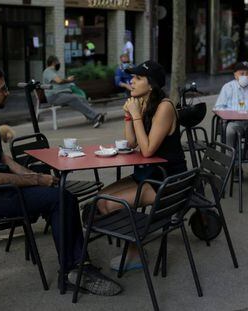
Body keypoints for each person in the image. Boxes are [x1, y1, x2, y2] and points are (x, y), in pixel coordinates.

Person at [0, 65, 121, 295]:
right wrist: (37, 180)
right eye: (3, 88)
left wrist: (30, 175)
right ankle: (73, 270)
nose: (7, 92)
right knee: (61, 199)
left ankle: (77, 266)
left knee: (61, 195)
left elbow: (2, 158)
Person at [96, 60, 187, 272]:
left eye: (137, 78)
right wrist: (129, 115)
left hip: (167, 181)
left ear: (152, 84)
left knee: (110, 205)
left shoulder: (165, 107)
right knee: (101, 199)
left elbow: (146, 151)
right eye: (132, 77)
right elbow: (131, 143)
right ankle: (135, 243)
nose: (131, 81)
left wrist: (136, 115)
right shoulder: (144, 103)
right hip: (149, 174)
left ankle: (136, 252)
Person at [213, 61, 248, 181]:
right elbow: (218, 107)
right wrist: (232, 112)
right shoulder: (228, 88)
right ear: (235, 75)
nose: (245, 76)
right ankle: (235, 166)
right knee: (230, 131)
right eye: (242, 73)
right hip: (234, 122)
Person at [42, 55, 104, 128]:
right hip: (54, 96)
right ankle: (95, 117)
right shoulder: (48, 71)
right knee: (74, 98)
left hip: (63, 95)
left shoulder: (56, 72)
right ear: (54, 62)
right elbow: (59, 81)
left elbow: (61, 82)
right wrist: (68, 80)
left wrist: (70, 83)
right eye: (58, 61)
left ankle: (93, 118)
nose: (59, 63)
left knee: (81, 98)